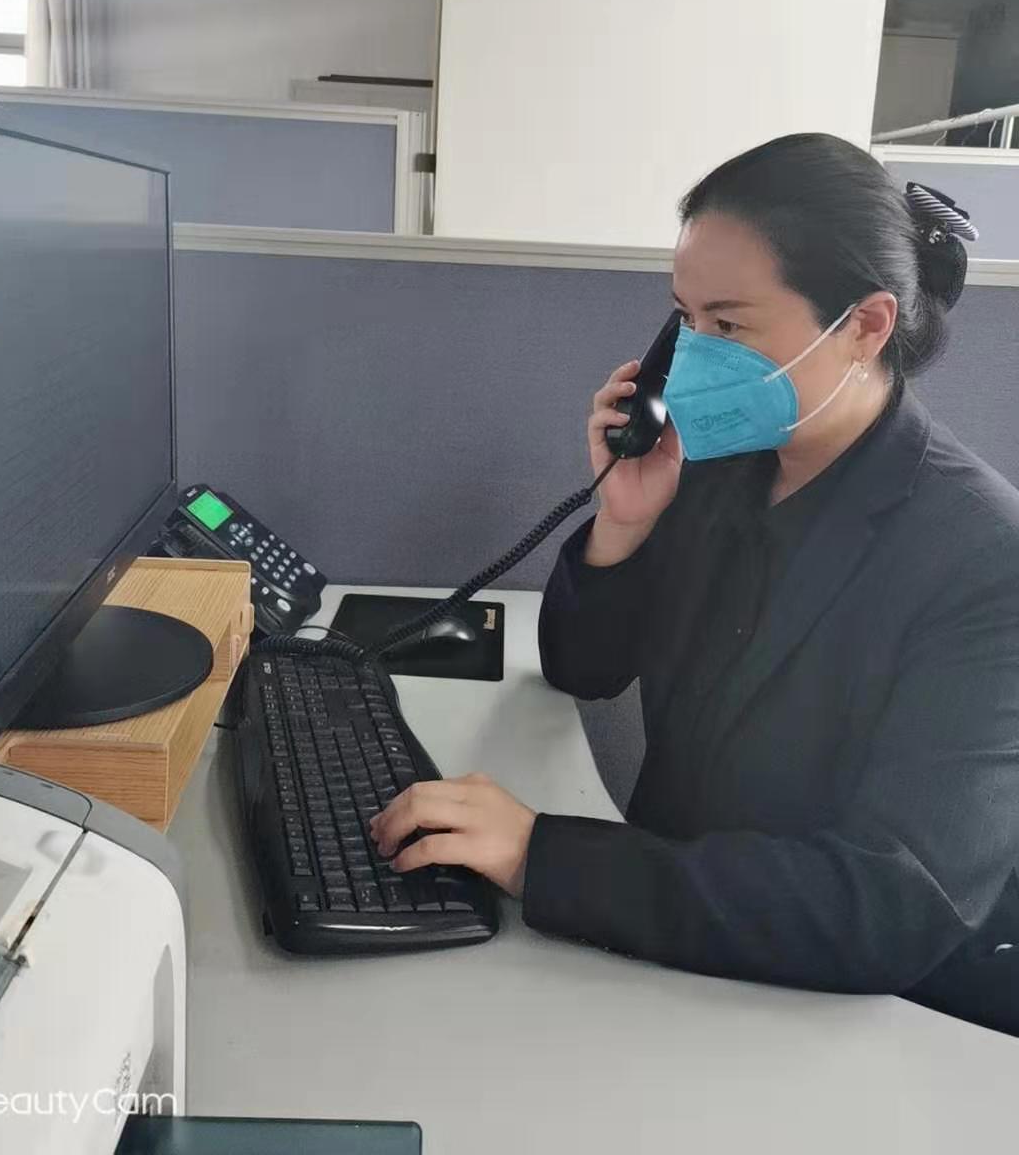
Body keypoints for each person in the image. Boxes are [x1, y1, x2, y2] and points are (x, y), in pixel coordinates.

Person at [370, 132, 1019, 1035]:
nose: (692, 356)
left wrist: (542, 856)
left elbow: (892, 906)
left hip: (843, 1018)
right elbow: (583, 668)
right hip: (675, 951)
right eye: (684, 317)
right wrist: (623, 522)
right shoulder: (721, 462)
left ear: (865, 326)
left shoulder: (985, 560)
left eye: (729, 324)